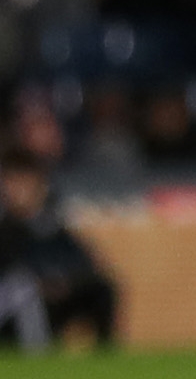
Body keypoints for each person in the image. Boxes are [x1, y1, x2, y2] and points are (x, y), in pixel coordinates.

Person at [0, 146, 119, 351]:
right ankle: (37, 354)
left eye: (24, 182)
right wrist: (43, 281)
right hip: (17, 302)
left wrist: (64, 280)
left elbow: (82, 260)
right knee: (24, 289)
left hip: (57, 292)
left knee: (103, 288)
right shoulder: (6, 227)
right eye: (12, 183)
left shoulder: (50, 224)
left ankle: (105, 354)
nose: (18, 190)